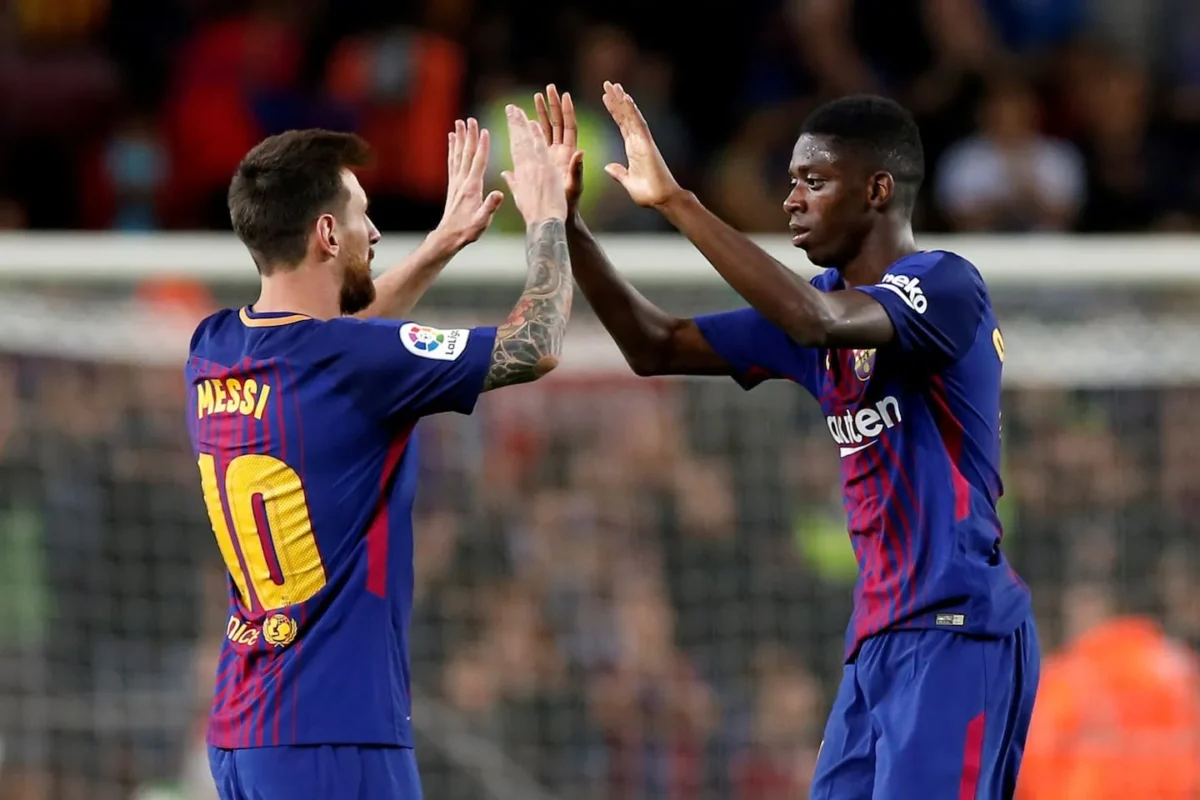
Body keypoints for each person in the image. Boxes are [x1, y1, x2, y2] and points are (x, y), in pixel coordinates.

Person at [532, 83, 1038, 798]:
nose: (790, 200)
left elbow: (814, 321)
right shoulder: (818, 305)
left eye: (813, 181)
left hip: (960, 627)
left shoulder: (948, 286)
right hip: (875, 645)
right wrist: (571, 226)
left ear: (877, 190)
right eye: (792, 181)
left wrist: (677, 201)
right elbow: (655, 345)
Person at [186, 105, 572, 800]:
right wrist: (548, 217)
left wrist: (441, 245)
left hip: (242, 730)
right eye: (363, 215)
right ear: (327, 233)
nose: (375, 233)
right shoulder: (352, 359)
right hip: (334, 732)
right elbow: (535, 345)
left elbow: (335, 344)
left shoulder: (213, 348)